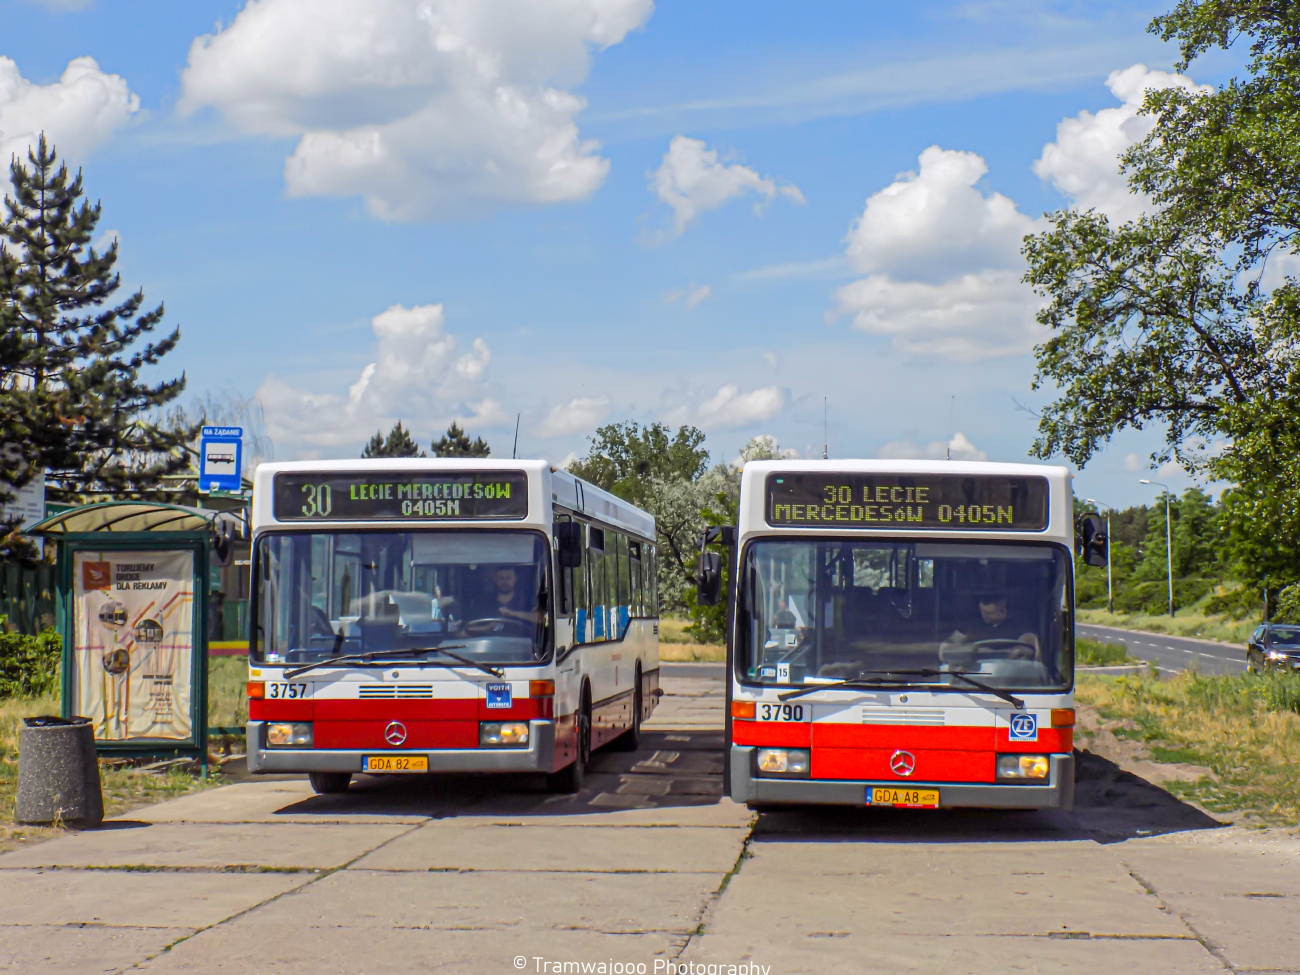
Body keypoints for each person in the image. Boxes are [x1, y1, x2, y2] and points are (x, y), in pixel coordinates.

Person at [940, 594, 1040, 661]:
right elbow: (950, 643)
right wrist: (946, 646)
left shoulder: (1020, 624)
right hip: (971, 676)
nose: (984, 616)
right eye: (982, 611)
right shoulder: (973, 623)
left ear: (1003, 611)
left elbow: (1029, 648)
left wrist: (991, 654)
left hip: (1006, 678)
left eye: (988, 613)